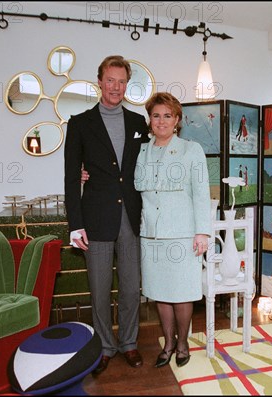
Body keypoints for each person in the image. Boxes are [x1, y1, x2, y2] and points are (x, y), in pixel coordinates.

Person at [64, 55, 150, 375]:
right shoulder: (80, 123)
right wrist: (75, 225)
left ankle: (128, 343)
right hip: (96, 217)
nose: (116, 87)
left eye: (122, 81)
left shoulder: (139, 123)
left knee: (130, 288)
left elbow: (147, 168)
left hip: (131, 217)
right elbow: (71, 177)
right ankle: (104, 345)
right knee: (99, 289)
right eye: (110, 80)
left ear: (127, 84)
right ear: (99, 81)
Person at [134, 92, 211, 369]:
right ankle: (167, 342)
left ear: (177, 120)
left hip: (183, 234)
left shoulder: (192, 150)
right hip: (151, 235)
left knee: (182, 292)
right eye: (156, 115)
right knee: (160, 292)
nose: (162, 121)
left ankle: (182, 343)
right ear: (150, 119)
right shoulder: (141, 151)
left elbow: (201, 194)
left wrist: (202, 232)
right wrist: (87, 173)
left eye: (168, 115)